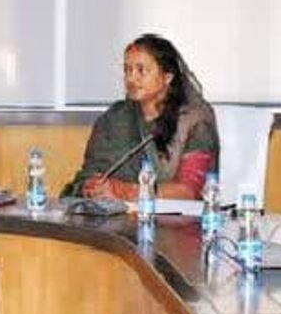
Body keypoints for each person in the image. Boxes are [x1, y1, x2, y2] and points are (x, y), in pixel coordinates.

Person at [64, 33, 219, 201]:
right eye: (127, 70)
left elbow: (190, 191)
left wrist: (128, 192)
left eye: (141, 70)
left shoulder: (195, 121)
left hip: (173, 216)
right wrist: (91, 187)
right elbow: (90, 175)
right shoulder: (114, 118)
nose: (131, 78)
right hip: (114, 213)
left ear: (167, 77)